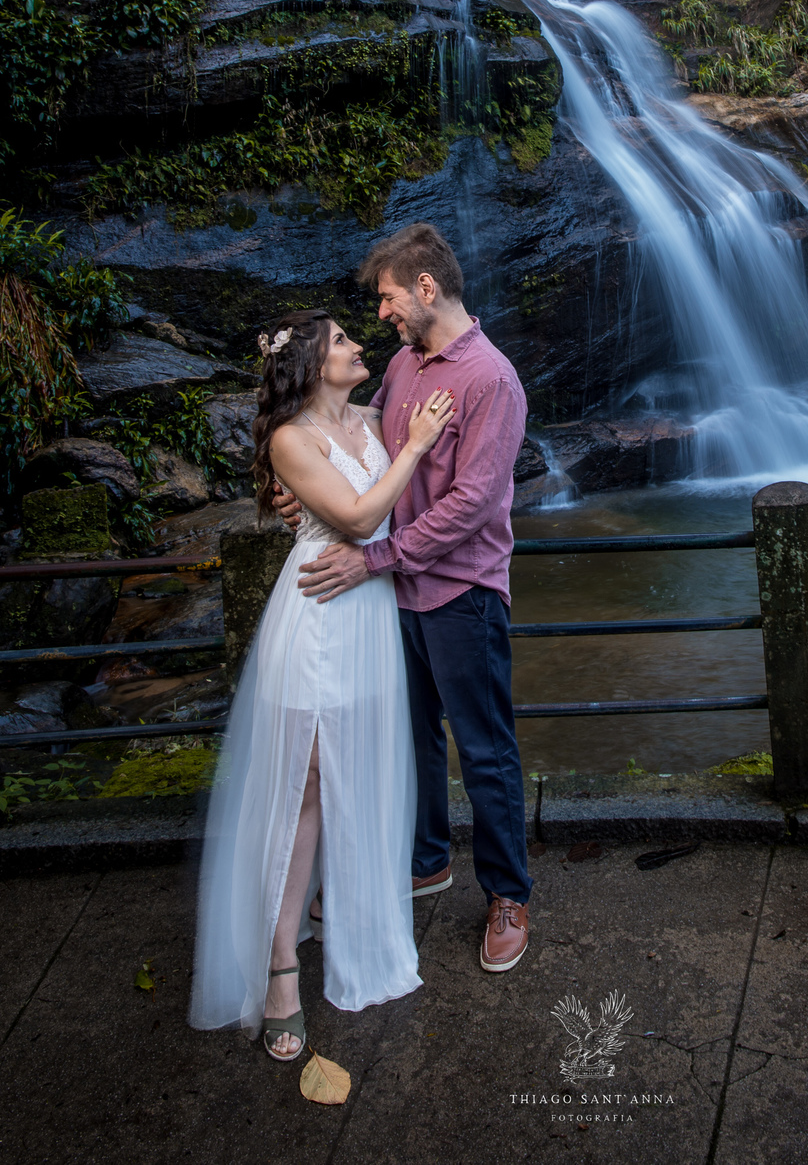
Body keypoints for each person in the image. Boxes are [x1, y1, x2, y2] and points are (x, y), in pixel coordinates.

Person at [189, 307, 454, 1061]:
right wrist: (417, 446)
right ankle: (278, 966)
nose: (357, 345)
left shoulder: (370, 416)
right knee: (305, 780)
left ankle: (323, 904)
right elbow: (363, 513)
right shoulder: (290, 439)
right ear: (310, 363)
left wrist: (407, 436)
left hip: (367, 620)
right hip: (312, 623)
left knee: (353, 767)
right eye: (341, 340)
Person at [279, 223, 533, 974]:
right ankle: (428, 859)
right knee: (413, 737)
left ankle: (508, 892)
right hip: (396, 592)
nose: (381, 311)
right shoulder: (399, 366)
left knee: (484, 748)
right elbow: (357, 440)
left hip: (463, 593)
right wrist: (300, 484)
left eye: (388, 296)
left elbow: (473, 505)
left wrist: (374, 556)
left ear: (426, 287)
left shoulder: (491, 379)